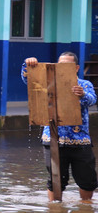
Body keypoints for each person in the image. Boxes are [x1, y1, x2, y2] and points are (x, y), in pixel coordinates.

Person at [21, 52, 97, 201]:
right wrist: (28, 63)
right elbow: (28, 79)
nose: (63, 68)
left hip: (80, 140)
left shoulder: (83, 84)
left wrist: (82, 95)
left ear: (76, 68)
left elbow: (92, 100)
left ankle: (86, 210)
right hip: (53, 139)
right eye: (60, 65)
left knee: (88, 180)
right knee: (55, 180)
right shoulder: (47, 82)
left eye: (67, 65)